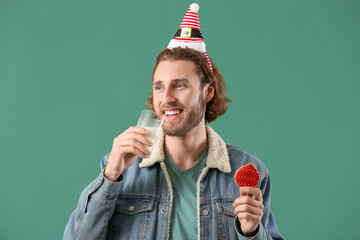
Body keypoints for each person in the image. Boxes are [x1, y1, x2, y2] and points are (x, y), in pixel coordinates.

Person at [63, 3, 283, 240]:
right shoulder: (119, 169)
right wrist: (109, 177)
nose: (166, 98)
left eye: (179, 85)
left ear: (208, 92)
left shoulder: (249, 170)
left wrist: (251, 233)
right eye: (159, 87)